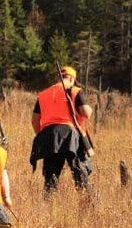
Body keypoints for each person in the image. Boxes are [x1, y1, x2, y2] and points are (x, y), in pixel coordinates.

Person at [29, 66, 94, 195]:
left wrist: (43, 136)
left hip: (49, 136)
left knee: (51, 179)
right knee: (80, 174)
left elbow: (35, 120)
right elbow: (86, 113)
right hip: (71, 136)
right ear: (71, 78)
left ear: (59, 77)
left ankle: (48, 206)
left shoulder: (43, 94)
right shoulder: (75, 91)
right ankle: (87, 202)